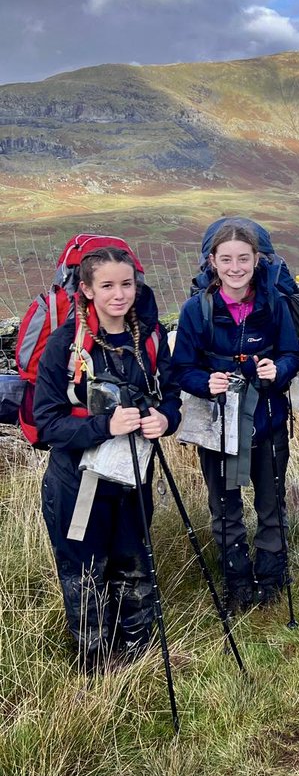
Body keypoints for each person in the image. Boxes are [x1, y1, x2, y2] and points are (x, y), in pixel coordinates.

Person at [33, 246, 181, 670]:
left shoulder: (150, 338)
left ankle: (137, 656)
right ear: (86, 289)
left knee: (134, 564)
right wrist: (105, 426)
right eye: (108, 286)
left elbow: (169, 394)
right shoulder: (65, 344)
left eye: (127, 284)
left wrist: (166, 419)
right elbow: (47, 424)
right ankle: (96, 665)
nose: (119, 294)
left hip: (133, 477)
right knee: (85, 575)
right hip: (76, 486)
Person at [172, 222, 299, 610]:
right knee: (225, 507)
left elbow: (291, 354)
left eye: (243, 258)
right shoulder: (197, 310)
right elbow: (181, 367)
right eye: (226, 259)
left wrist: (277, 370)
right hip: (219, 423)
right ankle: (237, 581)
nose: (235, 267)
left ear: (256, 260)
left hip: (266, 418)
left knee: (270, 503)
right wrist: (204, 381)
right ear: (212, 262)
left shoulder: (274, 303)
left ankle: (272, 578)